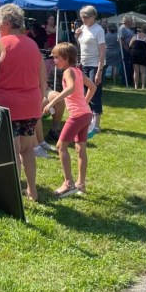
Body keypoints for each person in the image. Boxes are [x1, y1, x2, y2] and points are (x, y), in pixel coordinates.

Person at [0, 4, 46, 201]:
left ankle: (14, 193)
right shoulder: (33, 45)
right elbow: (42, 78)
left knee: (12, 150)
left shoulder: (2, 43)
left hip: (7, 106)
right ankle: (32, 190)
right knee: (27, 150)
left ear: (7, 24)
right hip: (30, 104)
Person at [43, 42, 96, 197]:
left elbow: (71, 88)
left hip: (78, 116)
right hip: (86, 114)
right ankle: (81, 184)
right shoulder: (78, 71)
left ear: (65, 58)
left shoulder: (68, 72)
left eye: (56, 57)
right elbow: (92, 87)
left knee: (61, 146)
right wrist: (85, 103)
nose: (54, 60)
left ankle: (68, 184)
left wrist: (52, 102)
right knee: (80, 149)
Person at [75, 5, 106, 132]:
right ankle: (87, 121)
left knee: (94, 93)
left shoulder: (98, 30)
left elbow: (103, 51)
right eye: (82, 17)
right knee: (83, 94)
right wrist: (76, 36)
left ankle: (97, 125)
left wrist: (99, 71)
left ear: (93, 16)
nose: (83, 19)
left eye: (86, 17)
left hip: (95, 64)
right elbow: (81, 45)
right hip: (84, 64)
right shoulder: (82, 28)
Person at [118, 17, 135, 85]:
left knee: (129, 66)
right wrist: (126, 47)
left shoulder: (129, 29)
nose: (132, 22)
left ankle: (129, 80)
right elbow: (120, 39)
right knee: (125, 66)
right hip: (125, 50)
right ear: (127, 21)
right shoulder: (122, 28)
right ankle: (125, 81)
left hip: (130, 49)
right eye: (131, 20)